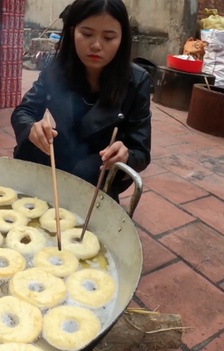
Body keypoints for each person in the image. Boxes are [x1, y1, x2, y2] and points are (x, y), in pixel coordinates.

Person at [10, 0, 151, 203]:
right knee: (30, 148)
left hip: (98, 170)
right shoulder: (56, 69)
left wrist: (125, 155)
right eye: (86, 34)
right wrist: (31, 127)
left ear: (122, 39)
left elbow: (142, 151)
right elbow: (24, 111)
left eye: (109, 37)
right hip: (61, 152)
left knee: (87, 171)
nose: (96, 45)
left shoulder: (136, 81)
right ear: (73, 31)